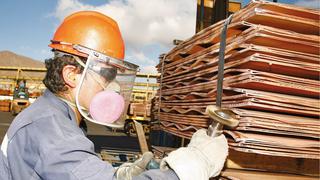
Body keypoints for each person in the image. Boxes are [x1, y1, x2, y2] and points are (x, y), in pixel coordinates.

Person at [0, 11, 228, 180]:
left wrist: (119, 174)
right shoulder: (50, 129)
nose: (114, 87)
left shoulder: (54, 118)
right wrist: (193, 166)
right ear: (72, 75)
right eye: (106, 74)